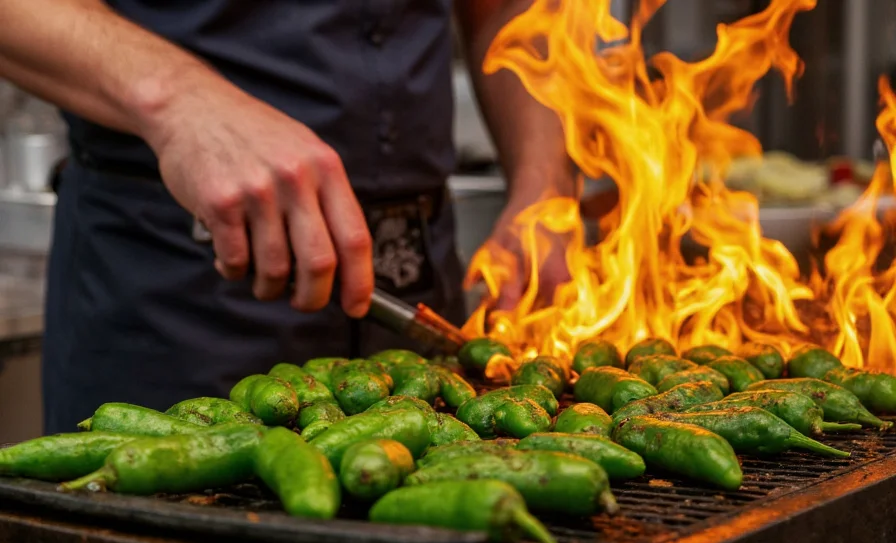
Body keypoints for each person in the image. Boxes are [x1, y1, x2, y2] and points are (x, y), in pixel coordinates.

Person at [0, 1, 576, 434]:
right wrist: (181, 100)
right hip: (177, 282)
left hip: (414, 283)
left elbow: (510, 9)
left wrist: (543, 187)